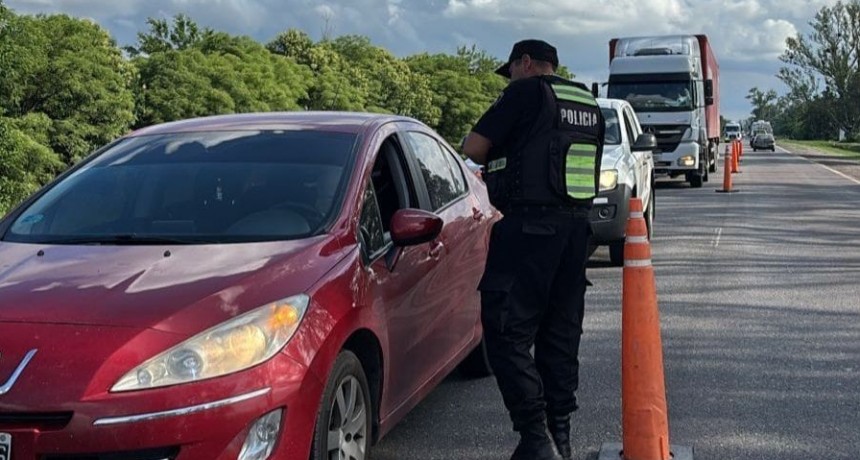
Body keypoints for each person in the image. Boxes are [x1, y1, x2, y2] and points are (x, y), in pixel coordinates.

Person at [462, 39, 604, 460]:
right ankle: (560, 436)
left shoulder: (526, 91)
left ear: (525, 63)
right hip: (576, 231)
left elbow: (474, 147)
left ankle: (535, 437)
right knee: (560, 334)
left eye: (511, 71)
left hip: (528, 229)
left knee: (505, 331)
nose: (510, 79)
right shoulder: (585, 100)